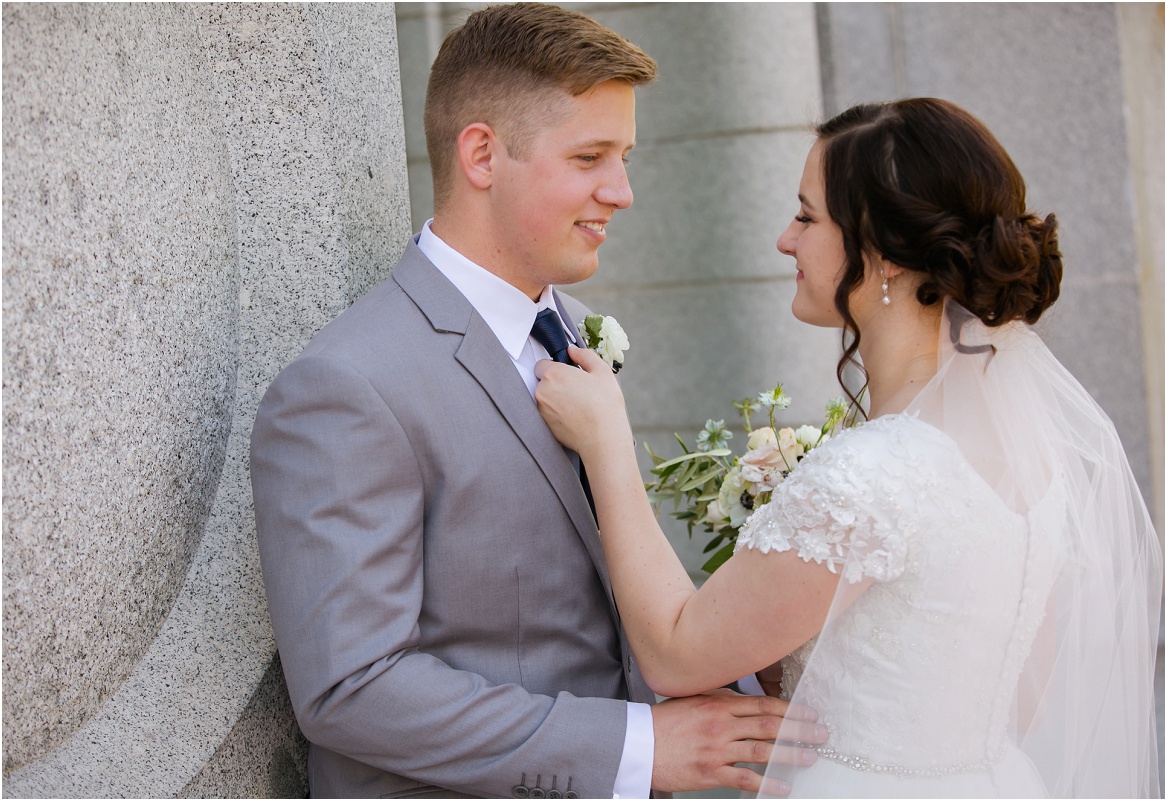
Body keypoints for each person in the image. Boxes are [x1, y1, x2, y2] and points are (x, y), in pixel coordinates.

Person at [250, 4, 821, 798]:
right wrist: (635, 748)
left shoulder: (575, 334)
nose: (621, 191)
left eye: (624, 156)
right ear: (482, 154)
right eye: (590, 156)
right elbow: (352, 685)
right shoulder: (346, 387)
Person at [535, 97, 1163, 797]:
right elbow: (1025, 700)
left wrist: (607, 443)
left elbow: (677, 655)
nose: (784, 239)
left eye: (807, 217)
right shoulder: (1032, 463)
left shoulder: (873, 475)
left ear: (885, 254)